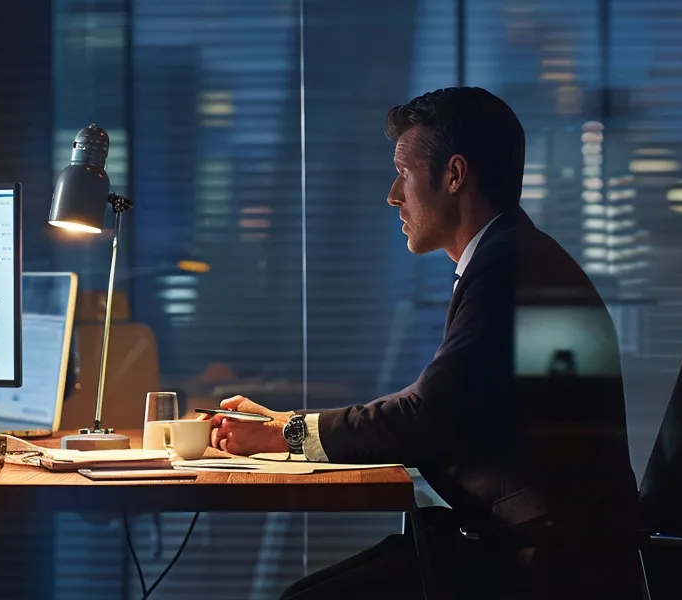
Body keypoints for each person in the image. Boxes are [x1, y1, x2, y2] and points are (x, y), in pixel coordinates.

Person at [205, 87, 645, 599]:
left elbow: (427, 417)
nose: (393, 193)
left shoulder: (510, 269)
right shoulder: (512, 257)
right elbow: (442, 408)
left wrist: (288, 437)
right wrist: (284, 425)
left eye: (404, 173)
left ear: (454, 175)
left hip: (542, 566)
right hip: (535, 546)